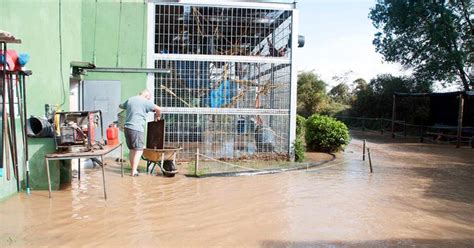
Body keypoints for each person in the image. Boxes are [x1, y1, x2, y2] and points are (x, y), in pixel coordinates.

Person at [119, 89, 161, 176]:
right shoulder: (145, 101)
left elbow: (121, 106)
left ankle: (133, 170)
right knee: (139, 150)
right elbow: (158, 108)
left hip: (127, 128)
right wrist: (158, 116)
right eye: (149, 98)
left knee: (132, 150)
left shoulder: (130, 99)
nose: (149, 100)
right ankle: (134, 171)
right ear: (147, 96)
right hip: (137, 128)